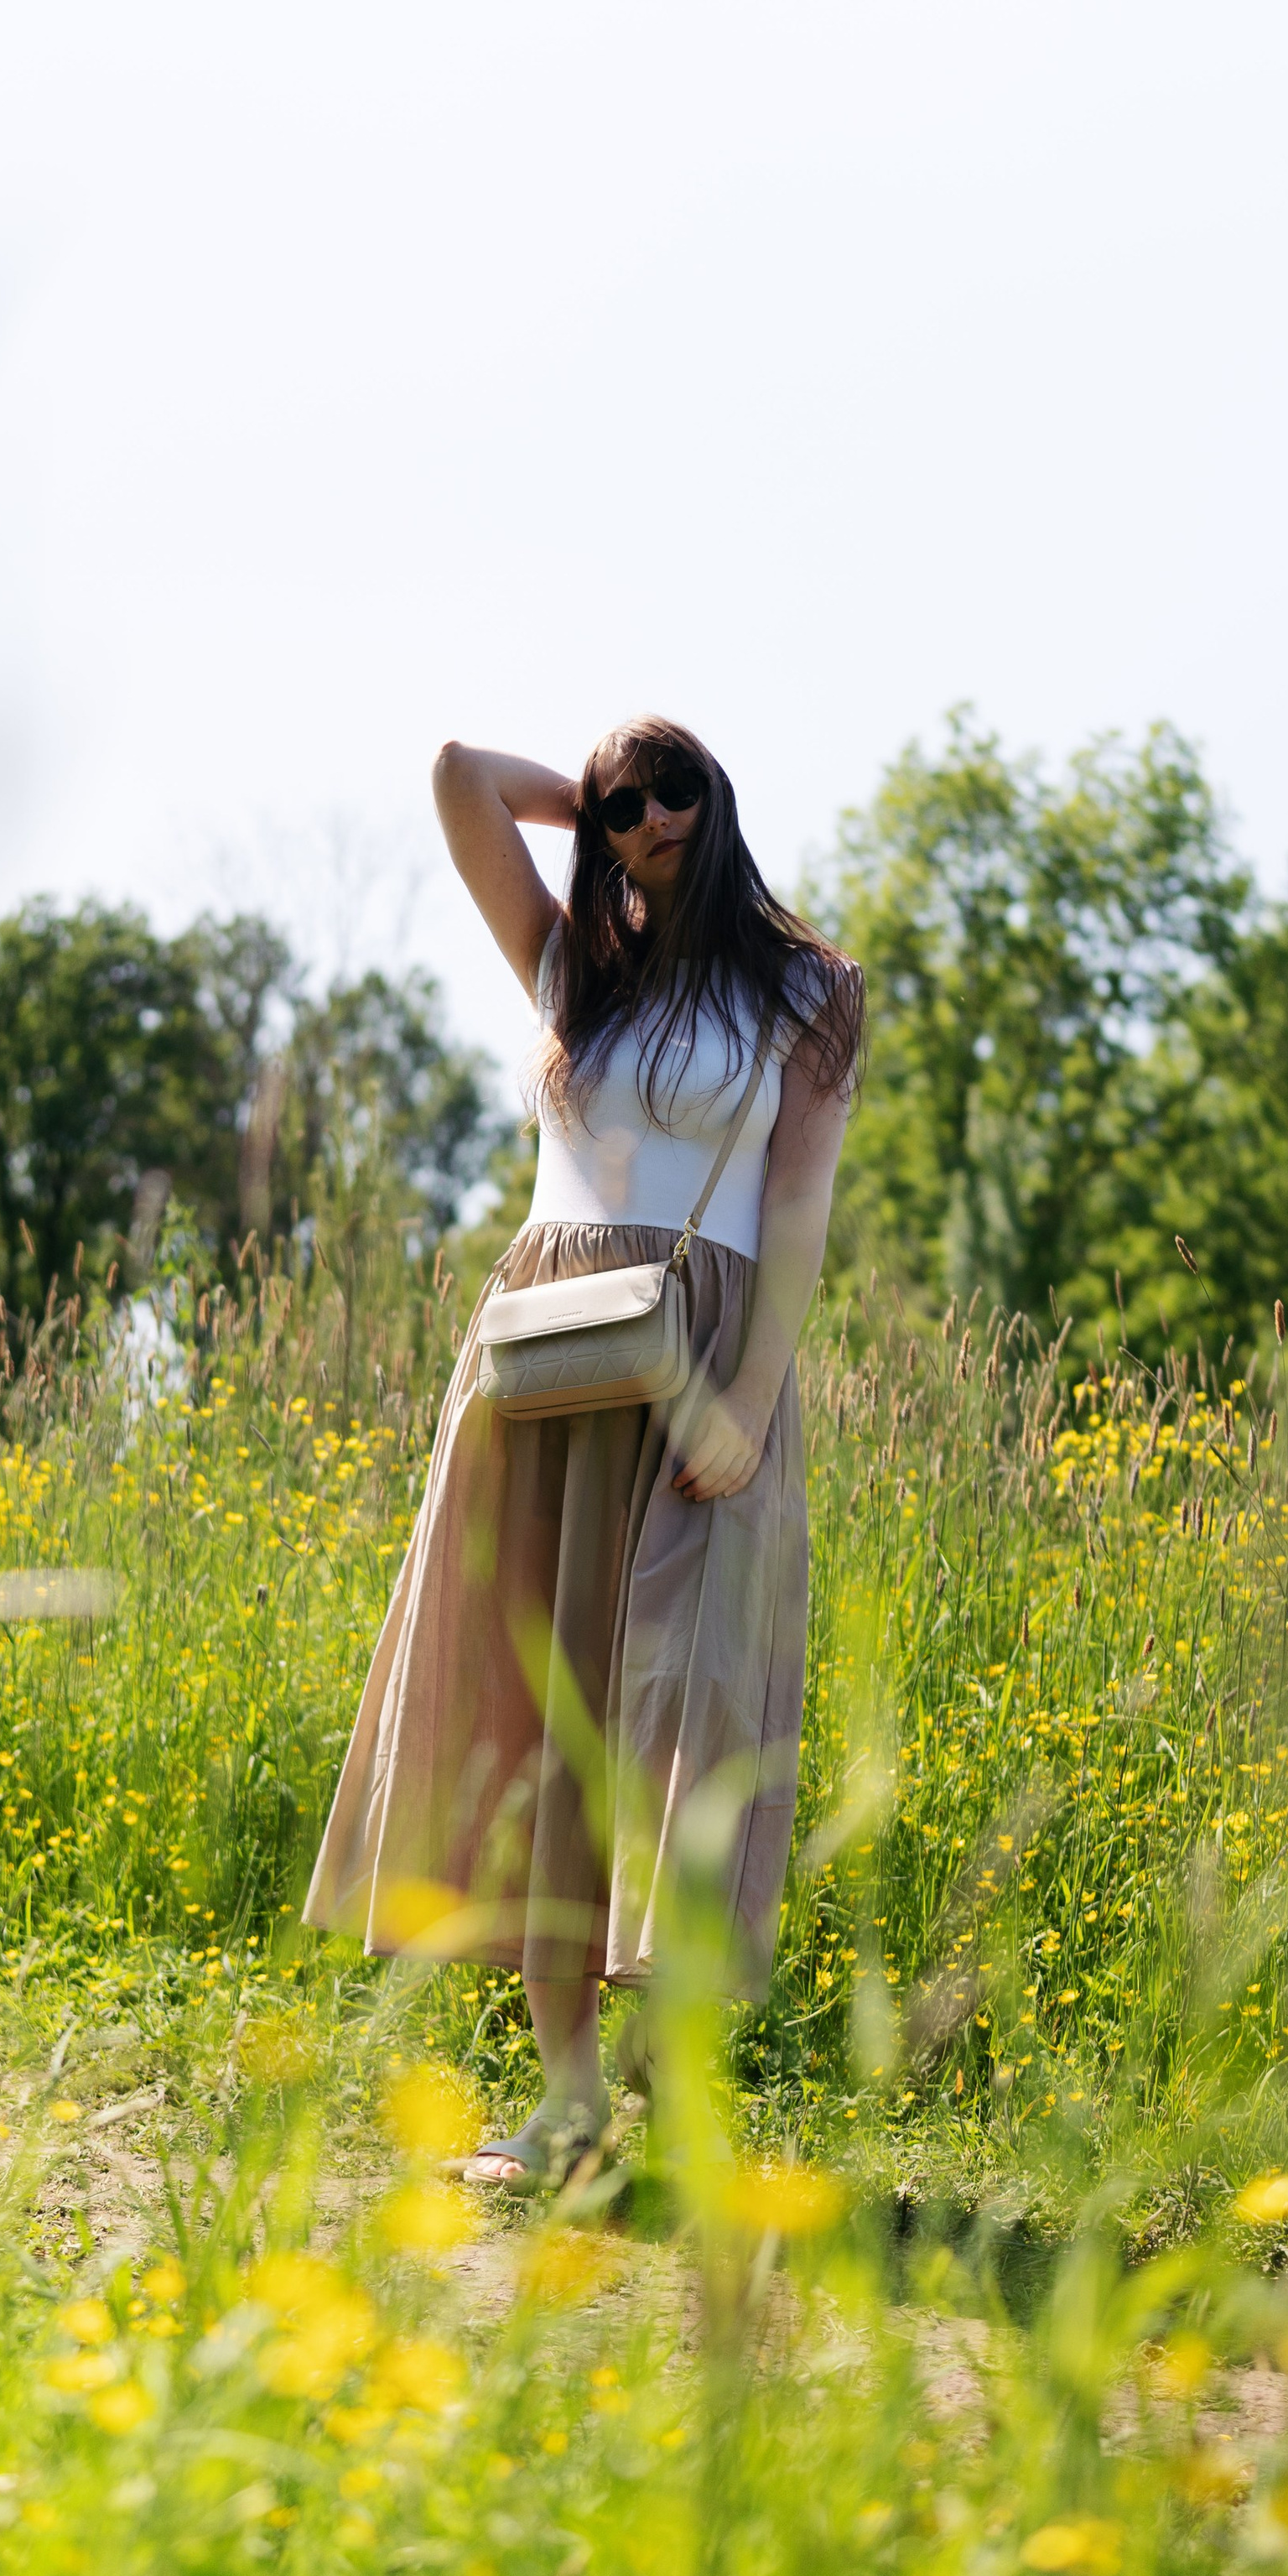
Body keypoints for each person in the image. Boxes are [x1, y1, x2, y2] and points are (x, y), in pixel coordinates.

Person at [300, 716, 863, 2184]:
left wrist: (745, 1400)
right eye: (623, 802)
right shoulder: (575, 968)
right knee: (544, 1722)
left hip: (698, 1364)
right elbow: (451, 775)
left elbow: (797, 1210)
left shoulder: (810, 987)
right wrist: (588, 811)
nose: (648, 816)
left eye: (674, 786)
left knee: (687, 1729)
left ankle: (675, 2104)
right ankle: (565, 2105)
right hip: (549, 1357)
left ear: (724, 791)